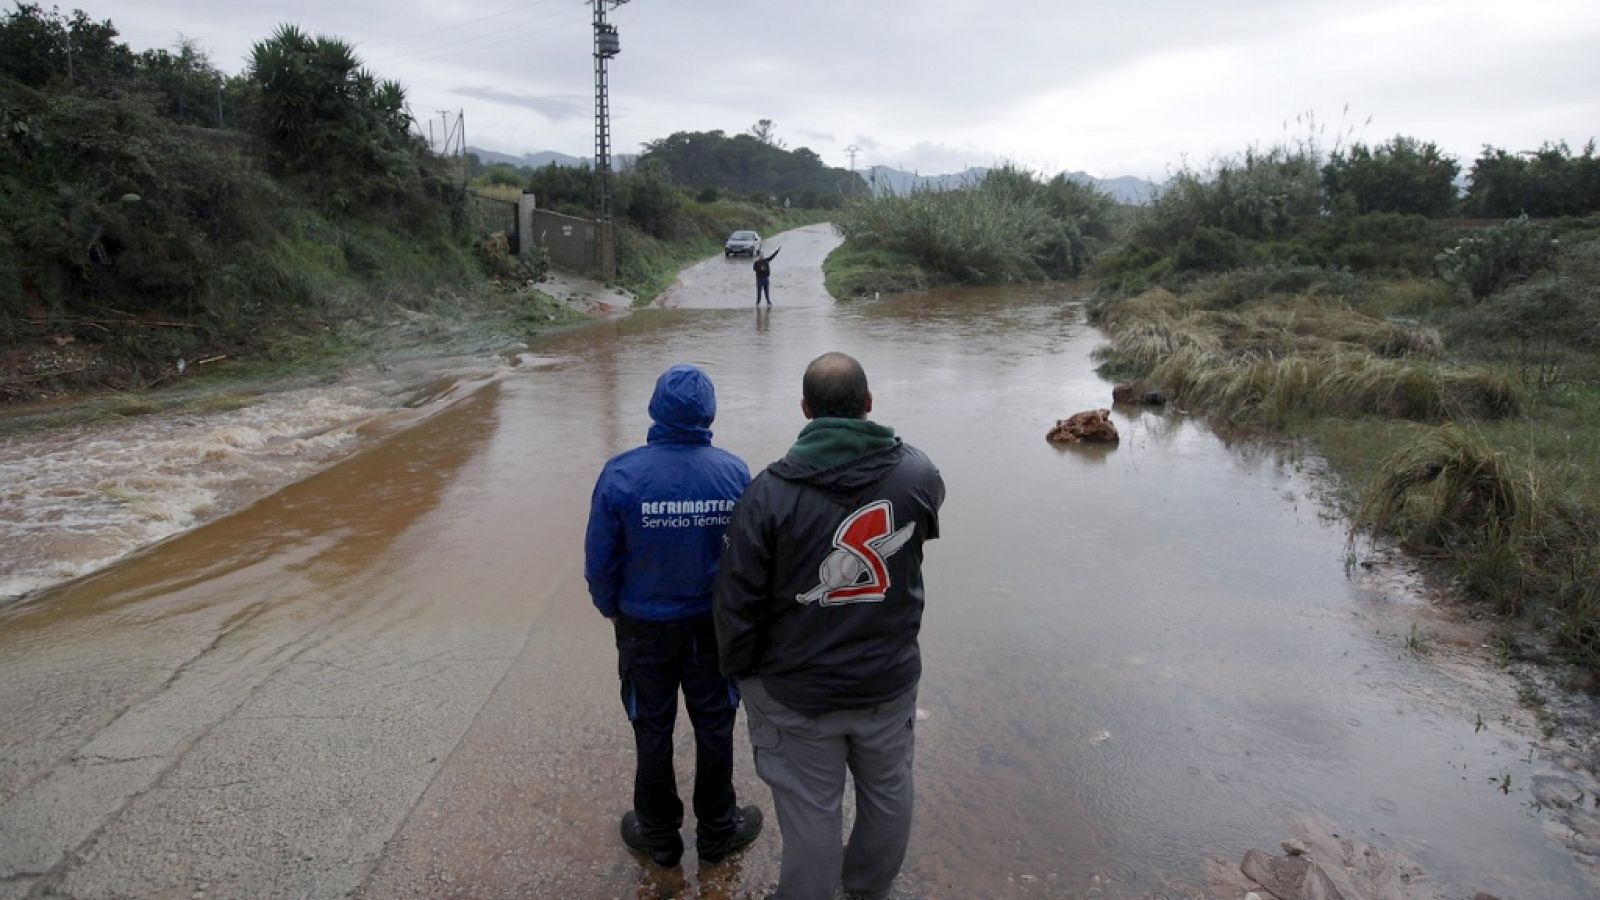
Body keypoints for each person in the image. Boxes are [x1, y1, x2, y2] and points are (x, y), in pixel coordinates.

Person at [713, 352, 945, 900]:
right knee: (888, 793)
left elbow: (738, 604)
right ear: (868, 405)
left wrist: (741, 675)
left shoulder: (767, 493)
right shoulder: (917, 475)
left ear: (805, 410)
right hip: (885, 683)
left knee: (812, 809)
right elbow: (917, 538)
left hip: (797, 692)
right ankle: (867, 890)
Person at [584, 364, 764, 869]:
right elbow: (748, 560)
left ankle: (659, 837)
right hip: (712, 627)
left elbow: (600, 560)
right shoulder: (733, 472)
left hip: (644, 627)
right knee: (714, 725)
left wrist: (611, 609)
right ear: (709, 413)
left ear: (656, 409)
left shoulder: (622, 473)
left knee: (652, 726)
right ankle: (717, 832)